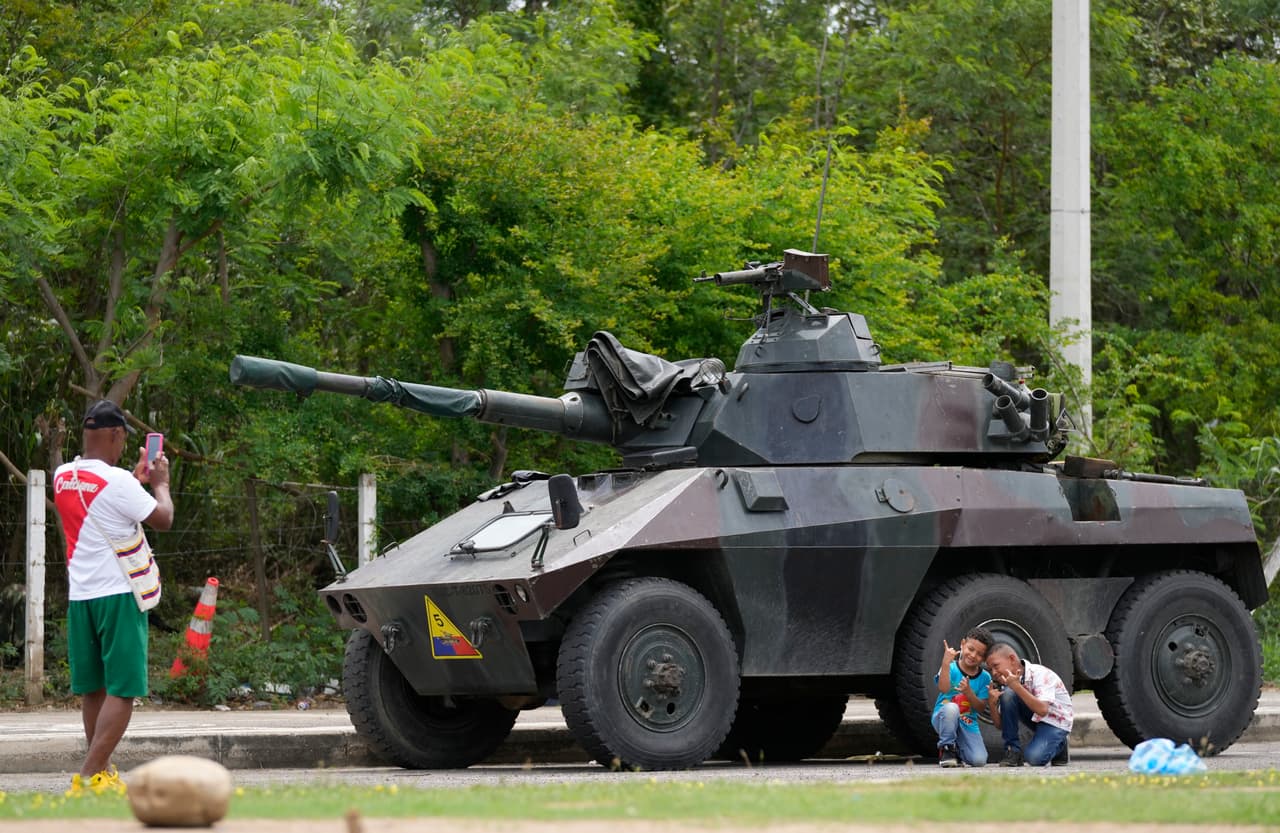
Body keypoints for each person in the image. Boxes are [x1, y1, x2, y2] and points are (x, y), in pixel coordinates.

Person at [52, 400, 173, 792]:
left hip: (81, 597)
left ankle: (101, 774)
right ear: (116, 434)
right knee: (123, 689)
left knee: (94, 689)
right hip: (119, 595)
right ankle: (89, 776)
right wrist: (160, 484)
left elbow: (103, 504)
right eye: (122, 439)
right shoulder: (119, 483)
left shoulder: (62, 476)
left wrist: (134, 478)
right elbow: (163, 519)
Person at [986, 641, 1072, 766]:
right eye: (990, 669)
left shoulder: (1040, 674)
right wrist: (992, 704)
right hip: (1037, 719)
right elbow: (1001, 725)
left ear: (1012, 659)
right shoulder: (1007, 683)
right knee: (1009, 693)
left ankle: (1061, 744)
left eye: (996, 666)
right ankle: (1012, 752)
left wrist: (1016, 687)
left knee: (1034, 758)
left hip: (1056, 722)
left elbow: (1042, 710)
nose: (993, 673)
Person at [931, 627, 994, 767]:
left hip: (968, 723)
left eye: (979, 654)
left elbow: (980, 708)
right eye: (970, 649)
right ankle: (947, 748)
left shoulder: (985, 678)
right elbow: (943, 688)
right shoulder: (950, 667)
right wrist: (945, 663)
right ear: (963, 644)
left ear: (984, 658)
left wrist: (969, 693)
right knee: (952, 708)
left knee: (979, 760)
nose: (973, 655)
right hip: (944, 717)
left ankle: (958, 751)